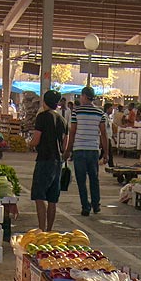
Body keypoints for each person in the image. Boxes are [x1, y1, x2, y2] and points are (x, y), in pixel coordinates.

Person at [64, 86, 108, 217]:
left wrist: (68, 150)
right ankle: (96, 205)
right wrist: (106, 153)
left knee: (81, 180)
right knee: (94, 178)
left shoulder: (76, 111)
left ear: (83, 96)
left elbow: (72, 132)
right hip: (93, 150)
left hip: (79, 150)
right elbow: (104, 134)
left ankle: (85, 206)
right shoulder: (100, 112)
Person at [28, 89, 67, 233]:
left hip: (44, 159)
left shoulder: (42, 117)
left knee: (39, 196)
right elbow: (65, 144)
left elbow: (36, 139)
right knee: (52, 198)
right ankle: (50, 230)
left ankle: (41, 229)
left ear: (44, 102)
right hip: (58, 161)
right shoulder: (62, 120)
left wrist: (30, 144)